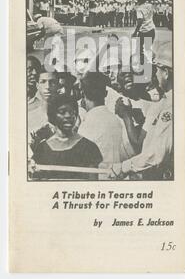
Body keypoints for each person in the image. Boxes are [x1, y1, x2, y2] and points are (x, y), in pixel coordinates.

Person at [107, 42, 173, 181]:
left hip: (159, 175)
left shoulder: (168, 106)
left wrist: (124, 167)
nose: (155, 72)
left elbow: (155, 154)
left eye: (157, 68)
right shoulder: (166, 101)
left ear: (166, 73)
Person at [29, 95, 102, 180]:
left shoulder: (88, 147)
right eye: (62, 112)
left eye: (71, 112)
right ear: (53, 116)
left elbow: (93, 185)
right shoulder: (42, 149)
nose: (68, 116)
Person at [78, 72, 122, 165]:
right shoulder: (116, 119)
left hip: (98, 176)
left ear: (82, 93)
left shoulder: (88, 124)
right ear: (105, 93)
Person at [133, 0, 155, 65]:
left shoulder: (139, 9)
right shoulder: (150, 6)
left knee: (139, 49)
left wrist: (135, 32)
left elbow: (140, 21)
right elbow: (153, 13)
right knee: (148, 49)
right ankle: (150, 63)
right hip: (151, 29)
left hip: (143, 31)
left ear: (138, 0)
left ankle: (142, 64)